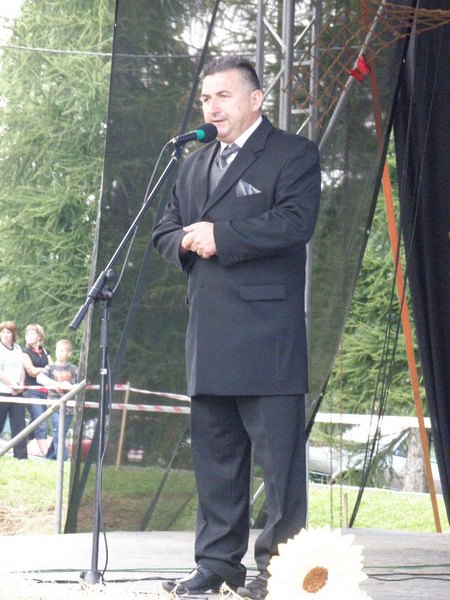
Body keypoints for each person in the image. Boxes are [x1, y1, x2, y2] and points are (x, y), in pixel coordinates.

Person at [152, 55, 321, 599]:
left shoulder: (292, 153)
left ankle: (280, 571)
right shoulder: (193, 164)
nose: (212, 107)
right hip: (209, 333)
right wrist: (183, 239)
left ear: (255, 99)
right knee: (217, 462)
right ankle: (217, 565)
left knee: (279, 468)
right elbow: (163, 228)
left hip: (267, 336)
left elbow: (295, 222)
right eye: (206, 98)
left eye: (223, 96)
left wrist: (220, 236)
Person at [36, 339, 78, 461]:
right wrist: (56, 384)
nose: (59, 353)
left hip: (69, 408)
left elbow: (81, 384)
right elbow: (40, 378)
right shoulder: (50, 367)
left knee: (60, 434)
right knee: (58, 432)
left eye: (62, 351)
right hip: (54, 407)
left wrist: (70, 387)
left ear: (69, 354)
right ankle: (63, 460)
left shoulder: (74, 369)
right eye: (57, 350)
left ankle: (49, 458)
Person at [22, 324, 52, 457]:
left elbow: (53, 369)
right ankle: (47, 455)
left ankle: (19, 445)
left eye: (32, 333)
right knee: (40, 422)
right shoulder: (25, 353)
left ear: (39, 336)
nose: (28, 336)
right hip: (31, 391)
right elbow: (31, 371)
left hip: (45, 392)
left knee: (35, 423)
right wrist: (45, 369)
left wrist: (42, 370)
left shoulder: (45, 352)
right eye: (27, 334)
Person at [0, 320, 27, 459]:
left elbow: (22, 368)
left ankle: (21, 457)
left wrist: (20, 385)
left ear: (13, 334)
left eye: (8, 332)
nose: (5, 335)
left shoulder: (17, 348)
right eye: (3, 332)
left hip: (17, 393)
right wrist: (11, 384)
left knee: (19, 425)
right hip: (2, 392)